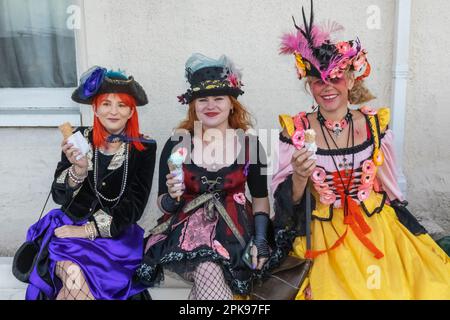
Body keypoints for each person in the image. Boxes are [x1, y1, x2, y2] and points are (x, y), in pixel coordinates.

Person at [270, 0, 450, 299]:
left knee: (424, 286)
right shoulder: (296, 132)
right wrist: (300, 177)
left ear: (351, 78)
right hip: (321, 233)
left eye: (335, 78)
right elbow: (285, 204)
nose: (327, 87)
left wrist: (412, 231)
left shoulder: (376, 126)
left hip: (376, 227)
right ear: (310, 86)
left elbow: (391, 188)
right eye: (318, 81)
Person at [136, 53, 271, 299]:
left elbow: (261, 197)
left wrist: (261, 240)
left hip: (236, 233)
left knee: (204, 288)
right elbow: (163, 201)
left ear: (232, 103)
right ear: (193, 106)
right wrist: (173, 196)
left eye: (219, 98)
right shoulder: (178, 143)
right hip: (188, 234)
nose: (210, 106)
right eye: (202, 100)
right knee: (207, 269)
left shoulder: (250, 145)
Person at [23, 67, 157, 300]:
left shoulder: (144, 147)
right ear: (95, 108)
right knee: (74, 276)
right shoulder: (77, 139)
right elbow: (59, 196)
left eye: (121, 105)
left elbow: (135, 204)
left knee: (77, 290)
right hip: (68, 235)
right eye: (106, 103)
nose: (113, 111)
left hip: (115, 241)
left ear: (130, 111)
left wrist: (87, 230)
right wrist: (78, 170)